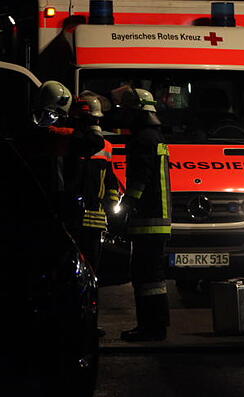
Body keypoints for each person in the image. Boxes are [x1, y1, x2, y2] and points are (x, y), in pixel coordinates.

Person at [116, 87, 172, 342]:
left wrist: (127, 204)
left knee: (145, 276)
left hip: (148, 220)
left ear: (138, 112)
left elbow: (140, 178)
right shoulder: (155, 136)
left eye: (127, 111)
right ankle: (156, 326)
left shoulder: (143, 139)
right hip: (157, 219)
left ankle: (150, 328)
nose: (124, 116)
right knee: (153, 277)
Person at [69, 92, 121, 273]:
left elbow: (110, 180)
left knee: (91, 268)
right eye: (92, 120)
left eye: (96, 120)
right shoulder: (70, 142)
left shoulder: (106, 146)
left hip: (92, 220)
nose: (96, 124)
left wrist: (112, 205)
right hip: (75, 218)